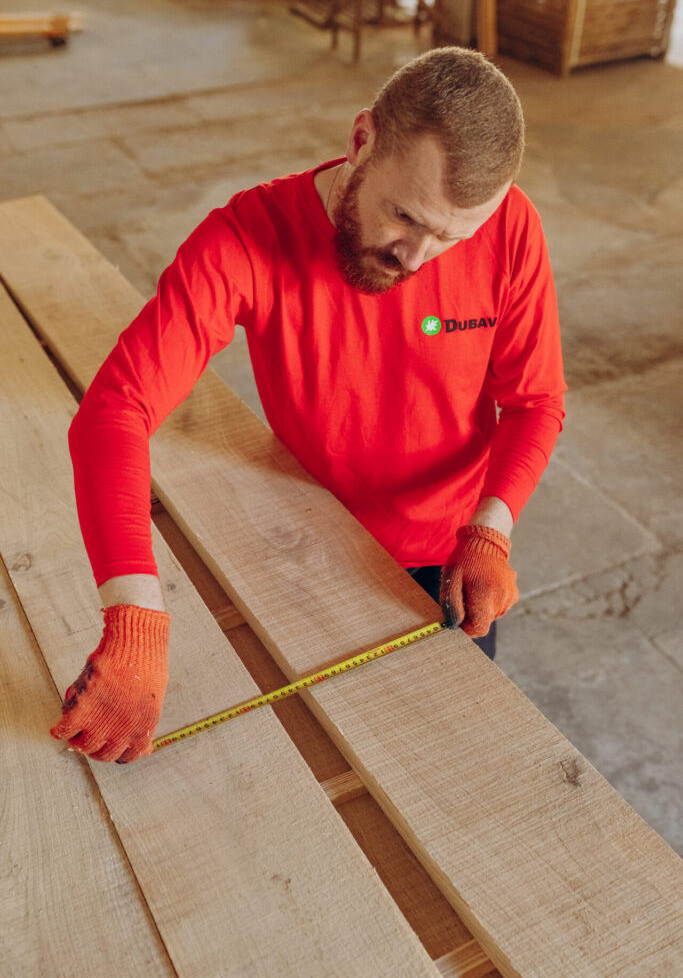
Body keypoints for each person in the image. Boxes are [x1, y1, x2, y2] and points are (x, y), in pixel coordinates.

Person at [50, 47, 565, 764]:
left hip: (448, 562)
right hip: (307, 549)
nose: (416, 258)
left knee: (447, 771)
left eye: (450, 238)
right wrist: (134, 614)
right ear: (360, 143)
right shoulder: (246, 238)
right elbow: (116, 410)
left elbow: (535, 402)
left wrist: (491, 527)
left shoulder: (511, 228)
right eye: (404, 216)